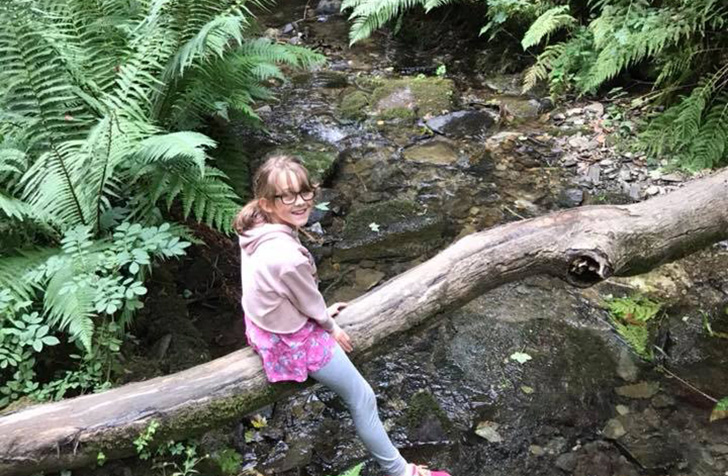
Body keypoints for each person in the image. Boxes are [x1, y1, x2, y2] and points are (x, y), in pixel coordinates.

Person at [233, 155, 451, 476]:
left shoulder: (254, 225)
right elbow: (306, 298)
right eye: (288, 196)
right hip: (289, 340)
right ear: (267, 202)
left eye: (305, 191)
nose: (301, 202)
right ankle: (402, 472)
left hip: (261, 325)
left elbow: (290, 291)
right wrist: (328, 324)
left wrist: (316, 309)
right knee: (362, 397)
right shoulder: (288, 256)